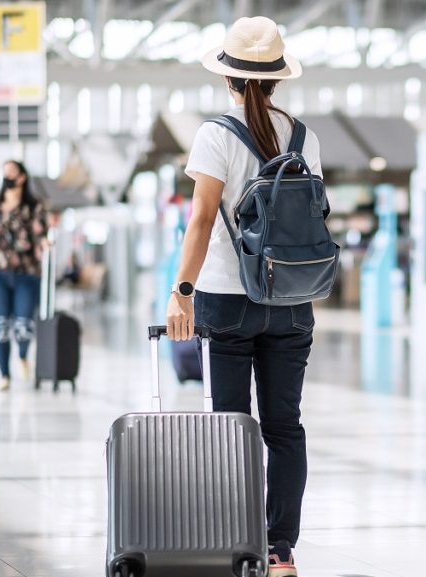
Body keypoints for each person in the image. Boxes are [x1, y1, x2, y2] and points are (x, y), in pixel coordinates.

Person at [164, 17, 320, 577]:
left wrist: (181, 293)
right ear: (276, 79)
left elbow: (202, 219)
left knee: (231, 425)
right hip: (292, 300)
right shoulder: (304, 136)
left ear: (230, 79)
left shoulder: (216, 134)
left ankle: (236, 543)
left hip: (227, 298)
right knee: (285, 427)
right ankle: (280, 551)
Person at [0, 160, 48, 392]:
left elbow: (40, 233)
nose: (7, 177)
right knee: (2, 324)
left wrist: (44, 242)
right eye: (4, 173)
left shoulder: (34, 207)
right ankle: (4, 374)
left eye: (11, 173)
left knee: (24, 325)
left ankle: (23, 356)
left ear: (22, 177)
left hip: (27, 274)